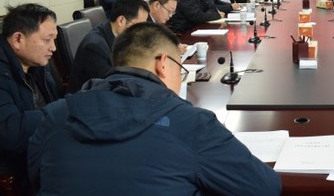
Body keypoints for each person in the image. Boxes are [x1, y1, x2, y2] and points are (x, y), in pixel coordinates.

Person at [29, 22, 281, 195]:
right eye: (179, 67)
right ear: (162, 63)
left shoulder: (54, 114)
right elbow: (263, 187)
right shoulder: (192, 124)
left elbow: (33, 179)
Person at [0, 4, 59, 195]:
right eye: (47, 40)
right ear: (18, 39)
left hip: (44, 147)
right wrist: (63, 112)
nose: (54, 48)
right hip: (17, 166)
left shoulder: (37, 63)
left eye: (55, 39)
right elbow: (10, 132)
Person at [68, 0, 149, 93]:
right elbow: (112, 85)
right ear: (121, 20)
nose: (141, 31)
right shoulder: (94, 47)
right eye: (139, 26)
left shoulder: (119, 34)